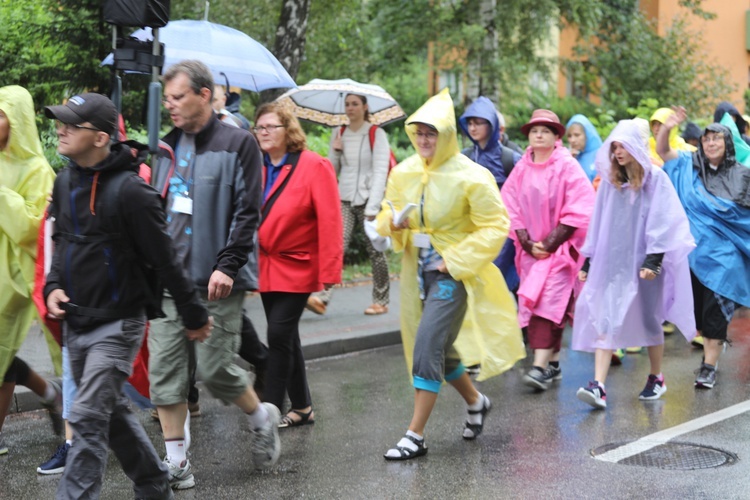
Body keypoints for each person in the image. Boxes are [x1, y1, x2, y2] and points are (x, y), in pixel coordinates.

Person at [42, 92, 212, 499]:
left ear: (101, 138)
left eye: (72, 124)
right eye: (60, 121)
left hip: (119, 324)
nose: (61, 130)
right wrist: (53, 285)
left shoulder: (133, 192)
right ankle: (155, 485)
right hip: (78, 321)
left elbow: (166, 259)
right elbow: (62, 239)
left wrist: (192, 313)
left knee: (85, 418)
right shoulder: (65, 180)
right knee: (111, 414)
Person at [149, 60, 279, 489]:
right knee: (167, 374)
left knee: (213, 368)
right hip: (172, 282)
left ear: (204, 95)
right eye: (167, 98)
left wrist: (228, 264)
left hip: (220, 281)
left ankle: (261, 417)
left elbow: (248, 211)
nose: (171, 106)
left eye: (179, 97)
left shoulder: (239, 143)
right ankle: (177, 464)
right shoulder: (165, 145)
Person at [376, 89, 524, 460]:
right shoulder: (404, 171)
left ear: (446, 135)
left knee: (426, 345)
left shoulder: (472, 175)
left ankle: (415, 434)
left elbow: (495, 225)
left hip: (453, 274)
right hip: (417, 271)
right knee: (443, 348)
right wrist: (393, 223)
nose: (424, 141)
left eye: (432, 133)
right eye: (419, 134)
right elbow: (386, 215)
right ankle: (476, 402)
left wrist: (455, 260)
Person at [572, 120, 695, 409]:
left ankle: (656, 377)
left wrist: (653, 260)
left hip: (644, 266)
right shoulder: (610, 184)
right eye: (614, 146)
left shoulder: (656, 180)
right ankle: (598, 386)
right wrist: (589, 261)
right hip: (612, 264)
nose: (618, 151)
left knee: (648, 320)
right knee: (605, 317)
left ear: (636, 146)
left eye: (623, 145)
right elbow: (598, 225)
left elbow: (665, 220)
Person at [253, 102, 343, 427]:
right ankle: (303, 407)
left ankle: (270, 409)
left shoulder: (313, 165)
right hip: (265, 266)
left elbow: (331, 221)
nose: (263, 133)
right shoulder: (258, 165)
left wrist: (330, 271)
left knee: (277, 334)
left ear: (288, 130)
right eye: (259, 127)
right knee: (287, 337)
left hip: (299, 266)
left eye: (270, 127)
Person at [502, 109, 595, 391]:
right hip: (530, 252)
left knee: (547, 305)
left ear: (556, 136)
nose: (539, 135)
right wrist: (528, 243)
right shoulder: (522, 166)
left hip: (560, 251)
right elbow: (510, 204)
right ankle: (553, 364)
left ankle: (539, 367)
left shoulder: (567, 165)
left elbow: (581, 206)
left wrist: (550, 243)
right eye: (534, 130)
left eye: (545, 130)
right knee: (541, 305)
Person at [657, 106, 750, 389]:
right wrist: (668, 127)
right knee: (697, 312)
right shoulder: (688, 165)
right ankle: (712, 349)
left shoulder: (743, 175)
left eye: (717, 139)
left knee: (714, 313)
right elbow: (663, 152)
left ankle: (708, 366)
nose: (711, 143)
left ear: (727, 144)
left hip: (724, 259)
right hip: (690, 254)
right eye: (707, 138)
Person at [0, 85, 61, 456]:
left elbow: (32, 228)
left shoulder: (39, 170)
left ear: (17, 120)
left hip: (17, 277)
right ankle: (51, 394)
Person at [306, 93, 390, 316]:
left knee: (375, 251)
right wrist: (335, 150)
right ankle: (322, 297)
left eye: (355, 104)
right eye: (347, 104)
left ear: (365, 107)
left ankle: (380, 300)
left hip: (369, 198)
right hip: (343, 197)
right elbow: (330, 172)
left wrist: (373, 207)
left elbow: (381, 171)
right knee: (336, 245)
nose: (350, 108)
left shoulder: (376, 133)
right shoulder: (339, 132)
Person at [458, 96, 521, 294]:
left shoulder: (510, 158)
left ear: (491, 124)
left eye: (478, 123)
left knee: (501, 284)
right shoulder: (464, 157)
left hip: (504, 235)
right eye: (469, 123)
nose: (473, 128)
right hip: (473, 231)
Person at [565, 114, 603, 182]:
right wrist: (569, 161)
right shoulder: (567, 156)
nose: (572, 140)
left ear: (587, 135)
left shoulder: (601, 154)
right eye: (569, 136)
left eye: (577, 135)